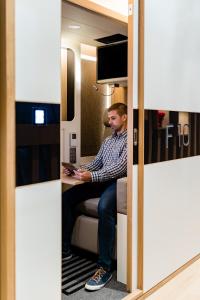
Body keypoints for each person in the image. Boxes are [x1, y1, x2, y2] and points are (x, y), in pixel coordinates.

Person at [62, 102, 127, 291]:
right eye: (109, 118)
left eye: (113, 118)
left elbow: (119, 169)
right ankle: (65, 249)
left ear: (124, 117)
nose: (110, 121)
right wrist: (79, 170)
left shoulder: (130, 139)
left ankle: (104, 267)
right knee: (67, 198)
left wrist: (92, 176)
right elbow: (97, 162)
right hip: (101, 180)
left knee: (104, 207)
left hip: (118, 182)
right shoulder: (108, 141)